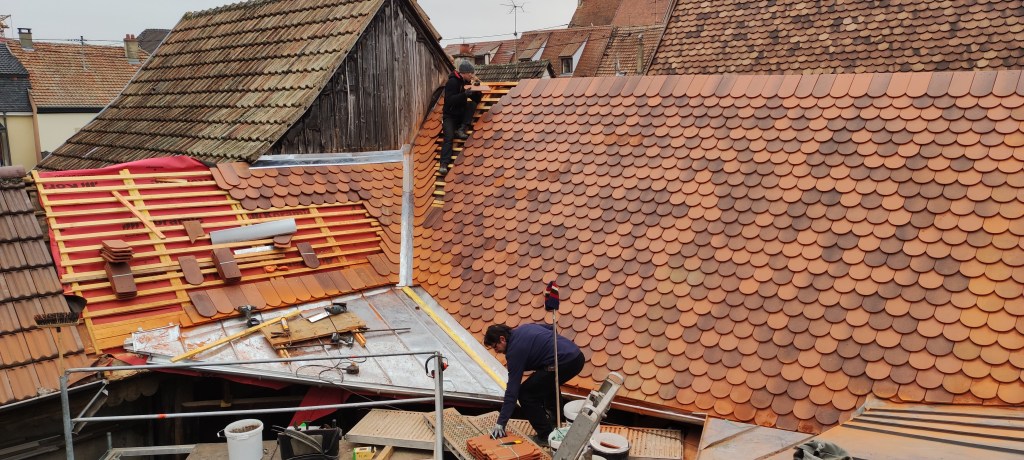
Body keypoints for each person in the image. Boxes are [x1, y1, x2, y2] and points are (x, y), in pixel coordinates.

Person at [484, 323, 585, 445]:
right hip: (577, 355)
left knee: (525, 394)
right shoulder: (524, 328)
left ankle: (545, 435)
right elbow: (551, 327)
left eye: (496, 347)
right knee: (546, 378)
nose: (497, 351)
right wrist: (550, 349)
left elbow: (512, 391)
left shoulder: (514, 352)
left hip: (566, 362)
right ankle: (553, 420)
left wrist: (501, 422)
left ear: (502, 339)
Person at [439, 60, 483, 176]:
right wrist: (464, 94)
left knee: (472, 104)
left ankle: (462, 129)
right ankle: (443, 164)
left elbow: (477, 101)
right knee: (448, 138)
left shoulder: (466, 82)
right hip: (450, 116)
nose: (472, 76)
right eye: (470, 74)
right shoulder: (452, 82)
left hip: (460, 114)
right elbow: (449, 101)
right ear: (464, 73)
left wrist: (477, 91)